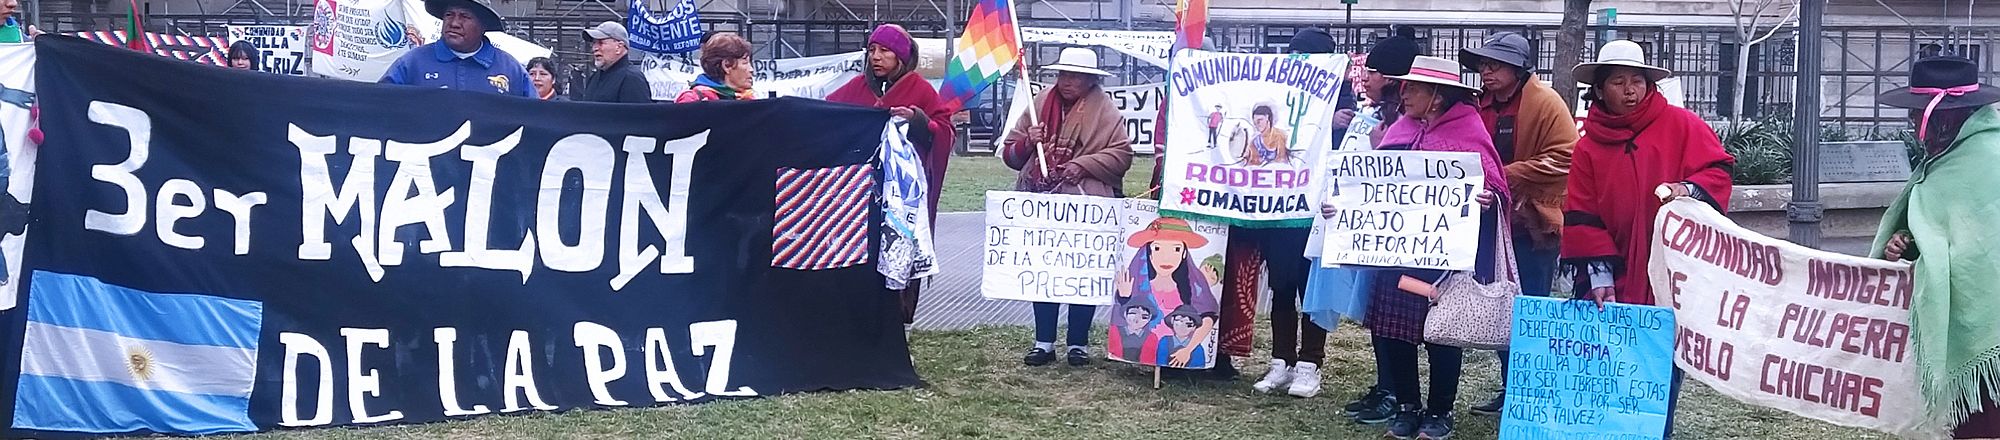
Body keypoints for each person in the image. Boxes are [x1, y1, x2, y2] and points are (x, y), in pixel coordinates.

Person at [1562, 40, 1733, 439]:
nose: (1629, 90)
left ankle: (1658, 430)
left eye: (1636, 81)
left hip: (1670, 270)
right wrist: (1600, 275)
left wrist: (1687, 189)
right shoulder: (1588, 145)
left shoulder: (1682, 124)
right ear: (1599, 89)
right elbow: (1583, 208)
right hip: (1614, 268)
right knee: (1611, 360)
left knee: (1662, 359)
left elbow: (1718, 171)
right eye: (1618, 82)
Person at [1335, 55, 1507, 440]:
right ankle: (1408, 405)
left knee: (1441, 334)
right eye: (1404, 86)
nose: (1404, 93)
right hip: (1397, 253)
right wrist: (1342, 205)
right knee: (1395, 330)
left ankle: (1440, 411)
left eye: (1413, 87)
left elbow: (1494, 184)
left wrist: (1487, 198)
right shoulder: (1401, 129)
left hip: (1443, 257)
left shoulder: (1468, 132)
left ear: (1438, 96)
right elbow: (1369, 186)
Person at [1870, 55, 2000, 439]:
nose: (1913, 124)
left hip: (1988, 323)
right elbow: (1944, 234)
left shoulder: (1989, 159)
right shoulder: (1943, 161)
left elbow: (1980, 249)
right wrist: (1905, 244)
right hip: (1970, 316)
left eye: (1918, 115)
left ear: (1948, 117)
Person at [1457, 31, 1577, 415]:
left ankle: (1532, 389)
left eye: (1494, 65)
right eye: (1482, 65)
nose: (1485, 71)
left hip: (1531, 225)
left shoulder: (1545, 102)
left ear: (1518, 68)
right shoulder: (1479, 104)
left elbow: (1567, 155)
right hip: (1489, 224)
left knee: (1531, 308)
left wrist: (1504, 176)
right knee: (1502, 308)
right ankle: (1513, 387)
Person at [1000, 47, 1134, 366]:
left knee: (1080, 272)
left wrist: (1085, 164)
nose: (1066, 82)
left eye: (1074, 76)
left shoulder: (1105, 110)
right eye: (1062, 74)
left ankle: (1078, 344)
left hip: (1085, 203)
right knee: (1044, 271)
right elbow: (1010, 153)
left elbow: (1122, 156)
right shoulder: (1040, 103)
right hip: (1041, 199)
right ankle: (1043, 342)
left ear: (1090, 80)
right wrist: (1027, 143)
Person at [1241, 27, 1353, 400]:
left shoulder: (1342, 99)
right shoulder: (1278, 96)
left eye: (1305, 56)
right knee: (1282, 286)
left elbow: (1354, 153)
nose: (1297, 62)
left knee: (1313, 289)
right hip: (1281, 210)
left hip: (1318, 212)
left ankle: (1310, 364)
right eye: (1293, 55)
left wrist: (1341, 125)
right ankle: (1281, 360)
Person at [825, 24, 954, 336]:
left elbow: (944, 130)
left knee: (900, 248)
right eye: (872, 50)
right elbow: (827, 114)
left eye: (884, 50)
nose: (876, 57)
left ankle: (899, 322)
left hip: (901, 194)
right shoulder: (856, 88)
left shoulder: (920, 90)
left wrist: (917, 120)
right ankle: (859, 319)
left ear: (902, 56)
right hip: (860, 190)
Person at [1328, 29, 1421, 424]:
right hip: (1379, 231)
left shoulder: (1410, 121)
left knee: (1397, 321)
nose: (1367, 76)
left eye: (1376, 70)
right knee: (1378, 314)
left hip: (1409, 235)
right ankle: (1386, 386)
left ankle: (1397, 392)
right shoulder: (1380, 117)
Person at [1116, 218, 1221, 369]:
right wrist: (1125, 299)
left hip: (1180, 350)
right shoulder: (1136, 283)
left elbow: (1208, 316)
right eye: (1157, 248)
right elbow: (1126, 319)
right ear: (1148, 252)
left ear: (1184, 253)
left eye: (1176, 249)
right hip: (1146, 348)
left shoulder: (1193, 287)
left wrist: (1188, 350)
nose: (1166, 258)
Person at [379, 0, 534, 98]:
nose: (454, 23)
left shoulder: (510, 69)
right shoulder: (412, 62)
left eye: (465, 16)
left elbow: (536, 116)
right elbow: (379, 105)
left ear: (483, 26)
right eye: (449, 15)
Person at [576, 21, 651, 103]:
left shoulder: (632, 79)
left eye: (601, 43)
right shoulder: (595, 77)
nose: (594, 48)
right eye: (594, 43)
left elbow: (639, 114)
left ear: (618, 47)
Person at [676, 32, 755, 102]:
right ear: (727, 65)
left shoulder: (748, 99)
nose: (751, 70)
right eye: (745, 63)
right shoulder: (692, 100)